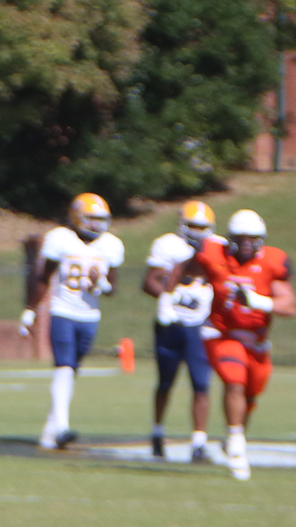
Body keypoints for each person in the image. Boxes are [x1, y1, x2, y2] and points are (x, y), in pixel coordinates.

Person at [185, 209, 295, 481]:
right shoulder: (214, 254)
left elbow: (289, 306)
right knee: (234, 381)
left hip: (255, 340)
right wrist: (175, 288)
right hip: (221, 334)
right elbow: (187, 270)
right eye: (241, 238)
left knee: (251, 393)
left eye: (253, 239)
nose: (247, 244)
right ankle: (236, 447)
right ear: (230, 238)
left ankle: (235, 435)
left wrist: (258, 301)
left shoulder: (272, 262)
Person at [26, 193, 123, 450]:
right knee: (64, 367)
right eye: (90, 219)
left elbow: (112, 288)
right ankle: (61, 429)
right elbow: (44, 277)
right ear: (77, 217)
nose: (96, 225)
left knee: (70, 372)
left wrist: (99, 282)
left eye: (100, 220)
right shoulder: (60, 238)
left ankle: (50, 429)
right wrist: (30, 310)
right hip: (63, 311)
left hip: (90, 317)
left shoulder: (110, 245)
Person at [143, 201, 218, 462]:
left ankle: (198, 443)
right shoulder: (167, 245)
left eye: (202, 227)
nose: (197, 232)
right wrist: (168, 298)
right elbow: (150, 281)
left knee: (201, 383)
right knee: (165, 382)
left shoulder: (217, 247)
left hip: (200, 326)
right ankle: (157, 433)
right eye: (192, 226)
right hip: (171, 323)